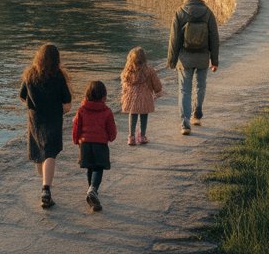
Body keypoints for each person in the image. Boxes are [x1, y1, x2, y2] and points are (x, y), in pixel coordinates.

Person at [19, 42, 72, 210]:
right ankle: (46, 188)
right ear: (56, 59)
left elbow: (22, 96)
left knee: (39, 153)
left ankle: (45, 185)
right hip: (53, 118)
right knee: (50, 153)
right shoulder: (58, 76)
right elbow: (67, 100)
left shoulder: (29, 75)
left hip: (35, 120)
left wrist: (32, 104)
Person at [167, 0, 219, 135]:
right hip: (203, 56)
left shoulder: (180, 12)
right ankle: (197, 112)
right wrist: (214, 60)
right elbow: (214, 38)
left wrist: (171, 60)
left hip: (185, 58)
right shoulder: (208, 12)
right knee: (201, 86)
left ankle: (185, 124)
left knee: (184, 90)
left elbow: (174, 39)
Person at [71, 79, 116, 212]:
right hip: (100, 144)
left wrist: (76, 140)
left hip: (85, 144)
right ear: (104, 96)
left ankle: (92, 194)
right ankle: (93, 190)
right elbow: (111, 129)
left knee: (90, 167)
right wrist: (111, 137)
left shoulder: (81, 110)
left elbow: (76, 127)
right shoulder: (107, 111)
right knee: (98, 168)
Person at [120, 46, 164, 146]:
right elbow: (156, 83)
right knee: (144, 116)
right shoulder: (150, 71)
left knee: (133, 115)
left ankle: (131, 137)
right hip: (145, 97)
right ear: (144, 58)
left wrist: (124, 94)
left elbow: (124, 83)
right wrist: (158, 91)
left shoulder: (128, 71)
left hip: (132, 97)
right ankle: (142, 136)